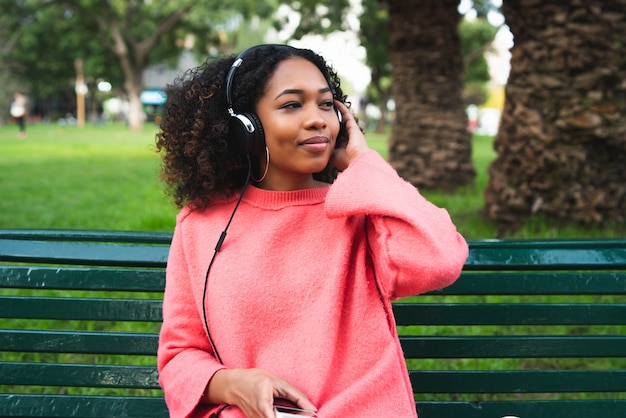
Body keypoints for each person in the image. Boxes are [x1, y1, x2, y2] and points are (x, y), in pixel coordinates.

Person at [156, 44, 469, 418]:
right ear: (246, 128)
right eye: (292, 105)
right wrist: (235, 384)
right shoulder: (201, 222)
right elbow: (180, 354)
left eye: (326, 105)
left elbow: (440, 260)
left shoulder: (361, 209)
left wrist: (361, 163)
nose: (318, 119)